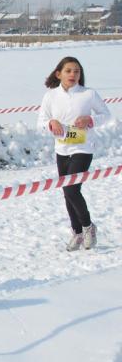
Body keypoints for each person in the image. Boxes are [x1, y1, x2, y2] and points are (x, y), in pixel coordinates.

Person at [37, 56, 111, 251]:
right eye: (68, 71)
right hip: (62, 148)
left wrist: (90, 120)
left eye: (76, 71)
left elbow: (106, 115)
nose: (73, 74)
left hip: (83, 147)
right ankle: (77, 233)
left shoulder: (88, 94)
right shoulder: (50, 96)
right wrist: (50, 124)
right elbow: (41, 123)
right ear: (58, 73)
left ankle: (88, 227)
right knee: (67, 192)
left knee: (71, 189)